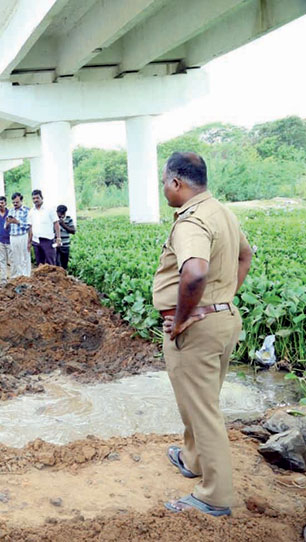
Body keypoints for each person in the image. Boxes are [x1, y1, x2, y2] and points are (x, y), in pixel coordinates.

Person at [154, 152, 252, 517]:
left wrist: (181, 320)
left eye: (164, 181)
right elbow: (246, 255)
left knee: (204, 409)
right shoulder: (222, 212)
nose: (163, 188)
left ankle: (215, 495)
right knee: (199, 400)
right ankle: (192, 459)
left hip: (197, 329)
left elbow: (193, 274)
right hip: (222, 320)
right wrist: (222, 299)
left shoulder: (191, 222)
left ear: (176, 183)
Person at [29, 189, 60, 267]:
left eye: (37, 198)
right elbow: (30, 227)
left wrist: (58, 237)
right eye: (33, 198)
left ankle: (52, 279)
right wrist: (29, 241)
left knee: (51, 263)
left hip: (48, 240)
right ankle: (42, 279)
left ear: (41, 198)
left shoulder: (49, 209)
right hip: (36, 241)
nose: (35, 200)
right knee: (39, 264)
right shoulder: (31, 211)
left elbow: (56, 223)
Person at [5, 192, 31, 278]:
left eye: (17, 202)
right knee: (16, 257)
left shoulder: (27, 210)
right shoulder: (11, 210)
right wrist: (8, 223)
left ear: (21, 201)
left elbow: (28, 225)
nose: (15, 204)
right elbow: (5, 226)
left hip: (23, 235)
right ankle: (19, 276)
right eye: (14, 202)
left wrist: (17, 222)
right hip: (13, 236)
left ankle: (26, 275)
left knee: (24, 256)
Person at [56, 204, 75, 270]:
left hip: (65, 245)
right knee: (56, 263)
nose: (60, 215)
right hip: (56, 245)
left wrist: (63, 224)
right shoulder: (54, 220)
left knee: (64, 264)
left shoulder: (68, 219)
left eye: (62, 213)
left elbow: (73, 231)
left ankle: (63, 278)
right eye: (59, 213)